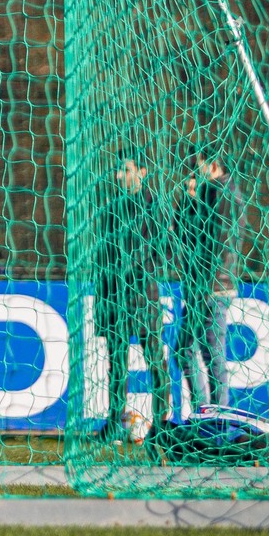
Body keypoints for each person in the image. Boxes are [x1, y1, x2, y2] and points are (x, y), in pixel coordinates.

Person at [94, 155, 170, 442]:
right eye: (117, 170)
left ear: (142, 172)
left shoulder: (154, 207)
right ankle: (115, 421)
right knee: (116, 363)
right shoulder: (111, 210)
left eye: (125, 170)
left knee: (154, 359)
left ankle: (162, 424)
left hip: (143, 295)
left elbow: (159, 251)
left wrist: (133, 268)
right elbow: (103, 257)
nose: (118, 176)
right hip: (115, 297)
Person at [173, 155, 241, 410]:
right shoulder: (207, 195)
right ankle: (205, 408)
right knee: (185, 350)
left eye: (197, 168)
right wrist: (187, 205)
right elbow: (184, 238)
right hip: (200, 287)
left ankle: (218, 412)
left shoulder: (223, 193)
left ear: (212, 165)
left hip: (213, 288)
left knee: (212, 354)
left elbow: (220, 244)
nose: (193, 175)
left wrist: (208, 285)